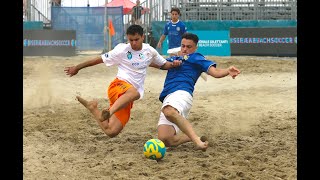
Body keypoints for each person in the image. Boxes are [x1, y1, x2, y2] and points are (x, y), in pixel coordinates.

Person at [64, 25, 181, 138]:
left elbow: (164, 64)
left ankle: (92, 107)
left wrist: (174, 64)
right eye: (131, 40)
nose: (134, 43)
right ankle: (109, 112)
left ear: (142, 37)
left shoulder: (150, 51)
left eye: (136, 39)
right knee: (135, 93)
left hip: (126, 99)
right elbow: (98, 60)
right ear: (127, 38)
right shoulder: (121, 50)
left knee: (111, 131)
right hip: (118, 86)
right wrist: (77, 67)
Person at [155, 33, 241, 151]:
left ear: (195, 48)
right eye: (183, 46)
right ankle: (196, 138)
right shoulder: (174, 58)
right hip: (169, 96)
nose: (185, 49)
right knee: (166, 139)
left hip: (181, 93)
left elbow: (215, 72)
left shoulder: (196, 57)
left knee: (168, 111)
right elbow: (158, 64)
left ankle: (196, 141)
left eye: (189, 47)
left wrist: (227, 71)